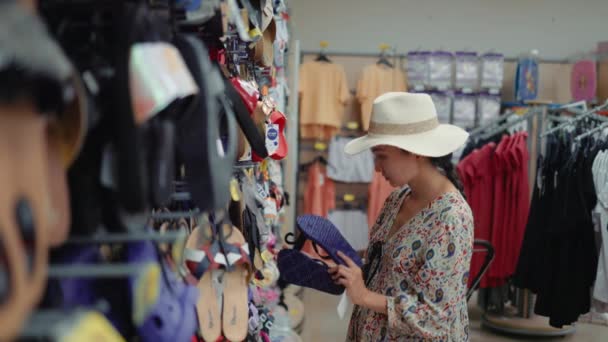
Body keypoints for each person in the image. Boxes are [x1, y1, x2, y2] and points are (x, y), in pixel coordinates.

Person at [328, 92, 474, 341]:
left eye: (381, 155)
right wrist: (352, 267)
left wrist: (364, 296)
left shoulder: (451, 219)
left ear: (415, 151)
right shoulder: (398, 198)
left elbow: (435, 317)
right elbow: (388, 263)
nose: (376, 167)